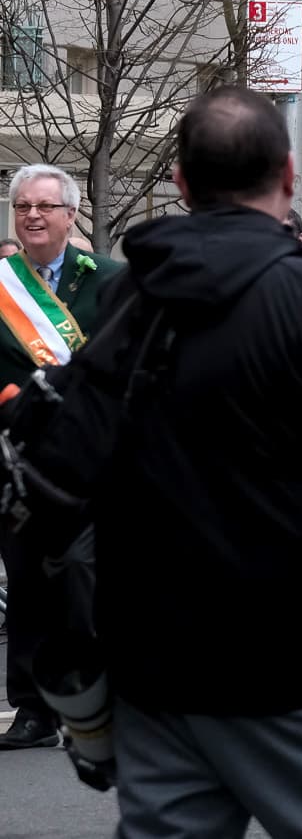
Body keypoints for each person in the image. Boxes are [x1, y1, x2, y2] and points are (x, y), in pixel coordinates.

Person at [23, 88, 302, 834]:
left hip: (161, 670)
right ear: (288, 177)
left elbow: (74, 456)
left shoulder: (131, 297)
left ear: (181, 181)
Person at [0, 165, 121, 751]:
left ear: (72, 216)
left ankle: (97, 703)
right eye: (23, 206)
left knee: (91, 582)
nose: (32, 216)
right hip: (20, 464)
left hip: (97, 464)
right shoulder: (1, 285)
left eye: (45, 206)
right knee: (26, 584)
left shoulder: (112, 281)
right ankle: (31, 710)